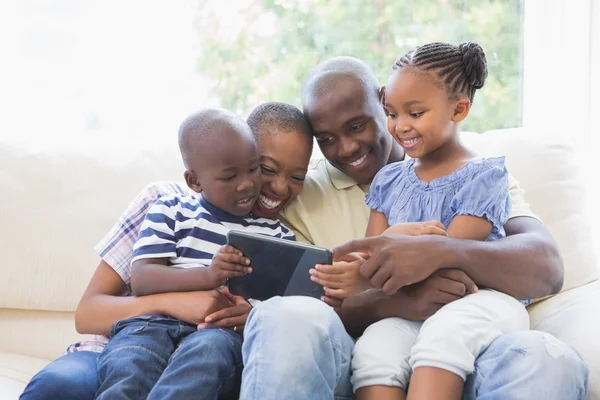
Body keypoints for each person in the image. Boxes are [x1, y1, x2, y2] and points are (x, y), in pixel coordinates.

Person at [239, 56, 588, 399]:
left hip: (471, 349)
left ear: (382, 102)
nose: (345, 148)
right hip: (357, 362)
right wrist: (394, 299)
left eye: (357, 126)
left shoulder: (473, 173)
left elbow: (546, 267)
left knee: (547, 358)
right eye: (326, 138)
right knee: (286, 317)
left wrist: (437, 252)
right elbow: (309, 299)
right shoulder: (299, 192)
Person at [19, 102, 313, 400]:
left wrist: (253, 316)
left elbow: (284, 316)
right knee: (68, 383)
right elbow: (93, 310)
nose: (265, 185)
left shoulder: (278, 236)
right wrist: (183, 298)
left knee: (208, 354)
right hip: (139, 334)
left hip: (212, 341)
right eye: (265, 168)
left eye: (296, 177)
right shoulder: (167, 204)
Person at [308, 42, 530, 400]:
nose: (400, 127)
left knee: (444, 337)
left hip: (476, 300)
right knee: (373, 350)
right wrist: (372, 256)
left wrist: (375, 263)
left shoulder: (483, 176)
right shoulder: (389, 180)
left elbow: (449, 257)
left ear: (458, 109)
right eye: (392, 113)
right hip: (412, 302)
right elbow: (371, 250)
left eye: (415, 113)